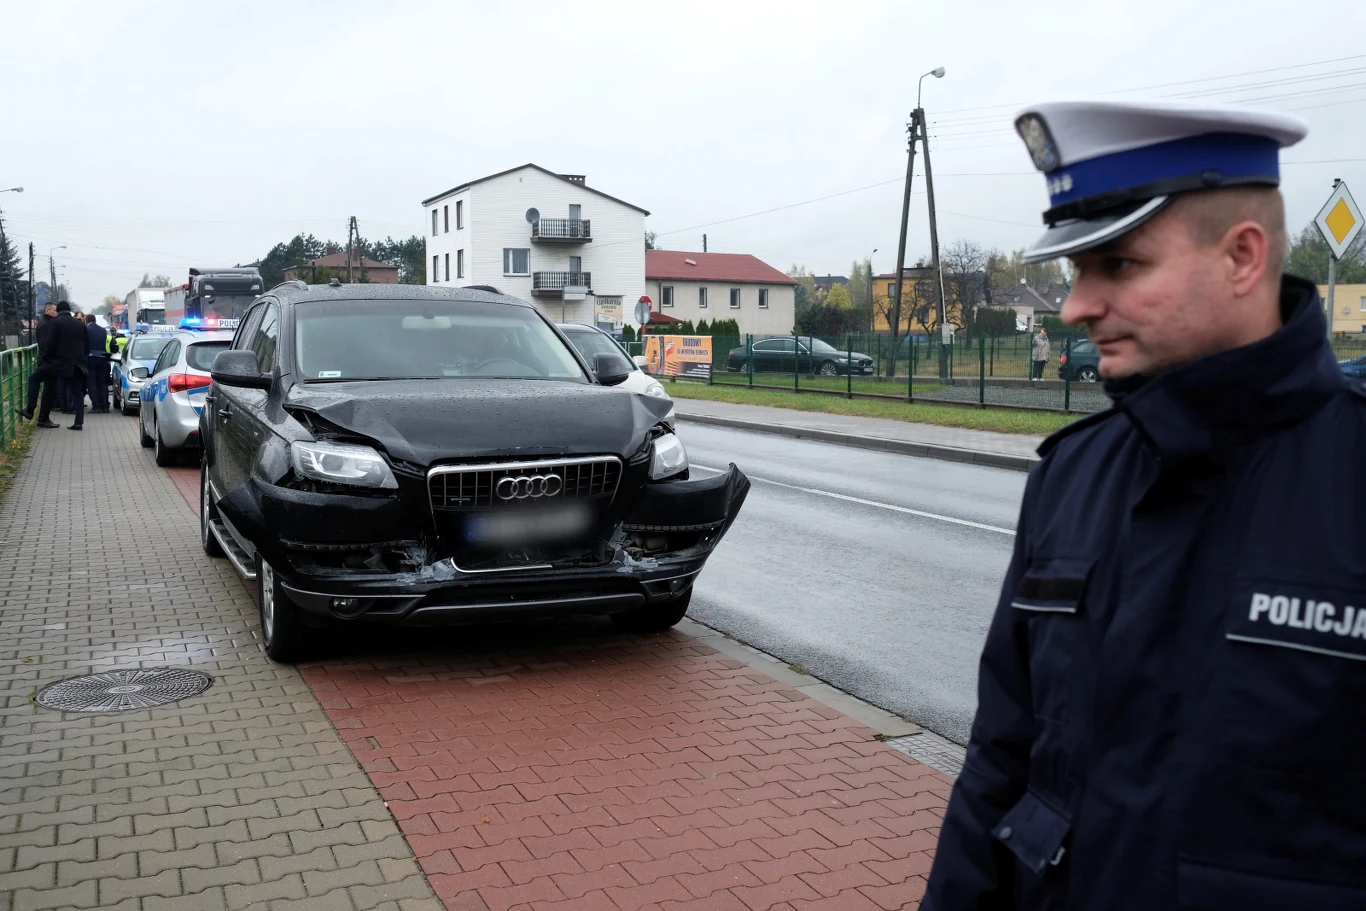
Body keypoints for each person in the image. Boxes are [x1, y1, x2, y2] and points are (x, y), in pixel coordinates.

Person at [922, 101, 1360, 910]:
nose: (1074, 308)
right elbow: (1000, 763)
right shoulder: (1070, 477)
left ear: (1242, 257)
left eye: (1117, 266)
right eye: (1076, 270)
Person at [17, 302, 61, 428]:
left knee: (48, 388)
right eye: (54, 310)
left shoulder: (46, 323)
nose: (56, 312)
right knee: (39, 382)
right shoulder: (47, 324)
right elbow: (45, 344)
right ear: (47, 311)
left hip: (48, 361)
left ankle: (39, 415)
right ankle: (35, 412)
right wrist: (44, 359)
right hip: (48, 361)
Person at [85, 314, 111, 413]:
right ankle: (104, 406)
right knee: (103, 383)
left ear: (87, 321)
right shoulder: (103, 330)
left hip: (91, 358)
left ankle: (96, 406)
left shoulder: (86, 330)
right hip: (103, 358)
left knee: (92, 383)